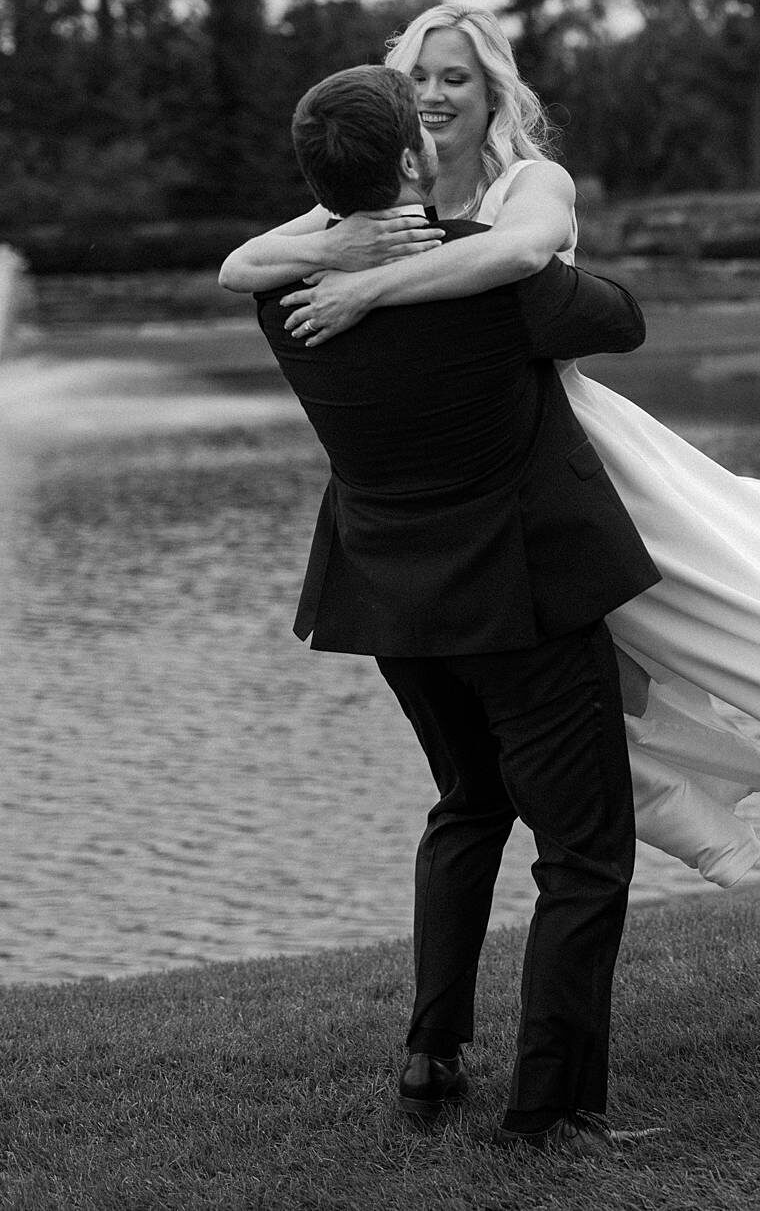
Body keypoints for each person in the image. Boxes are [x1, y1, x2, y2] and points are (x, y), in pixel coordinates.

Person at [222, 5, 760, 884]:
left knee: (755, 605)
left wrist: (366, 288)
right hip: (448, 484)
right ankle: (704, 809)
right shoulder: (351, 206)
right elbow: (241, 268)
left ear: (493, 91)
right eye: (419, 76)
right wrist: (342, 240)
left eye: (456, 77)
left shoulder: (531, 183)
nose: (434, 94)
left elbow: (518, 257)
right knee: (573, 682)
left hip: (575, 451)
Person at [242, 62, 664, 1152]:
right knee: (582, 854)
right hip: (519, 601)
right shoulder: (487, 276)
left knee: (469, 803)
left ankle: (431, 1055)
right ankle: (552, 1107)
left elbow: (268, 250)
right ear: (412, 156)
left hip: (391, 602)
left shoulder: (281, 296)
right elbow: (620, 320)